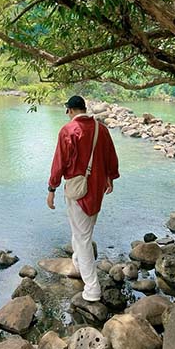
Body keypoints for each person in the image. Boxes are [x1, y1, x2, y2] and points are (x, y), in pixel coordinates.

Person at [46, 94, 120, 303]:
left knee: (83, 237)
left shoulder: (68, 130)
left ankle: (92, 289)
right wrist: (110, 178)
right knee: (83, 230)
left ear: (70, 110)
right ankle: (78, 262)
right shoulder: (101, 129)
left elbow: (59, 163)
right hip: (96, 189)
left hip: (78, 190)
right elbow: (111, 157)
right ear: (84, 109)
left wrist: (52, 188)